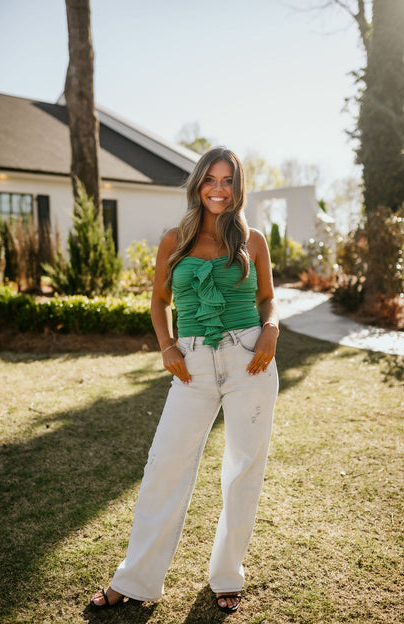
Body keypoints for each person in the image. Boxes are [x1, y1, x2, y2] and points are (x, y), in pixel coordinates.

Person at [91, 146, 279, 614]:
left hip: (249, 360)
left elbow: (268, 298)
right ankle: (134, 580)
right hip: (191, 363)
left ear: (238, 188)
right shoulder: (173, 238)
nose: (219, 188)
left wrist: (271, 329)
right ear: (198, 184)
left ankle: (227, 574)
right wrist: (167, 345)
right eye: (211, 179)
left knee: (242, 470)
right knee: (164, 467)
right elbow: (158, 301)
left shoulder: (253, 239)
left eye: (228, 180)